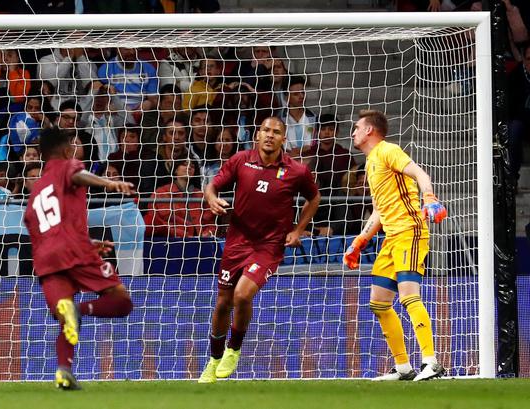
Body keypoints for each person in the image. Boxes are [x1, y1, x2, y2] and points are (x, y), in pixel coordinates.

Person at [198, 117, 321, 383]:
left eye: (276, 132)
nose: (270, 135)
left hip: (268, 246)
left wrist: (298, 230)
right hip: (236, 242)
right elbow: (212, 185)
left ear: (283, 139)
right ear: (257, 134)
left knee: (242, 296)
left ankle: (234, 349)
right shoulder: (241, 160)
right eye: (266, 130)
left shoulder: (296, 171)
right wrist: (211, 198)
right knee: (222, 304)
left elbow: (314, 197)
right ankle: (214, 360)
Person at [23, 127, 134, 390]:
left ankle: (64, 371)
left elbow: (40, 226)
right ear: (66, 149)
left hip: (45, 258)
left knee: (66, 317)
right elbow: (77, 174)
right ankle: (81, 310)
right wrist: (110, 183)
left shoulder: (37, 188)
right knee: (121, 301)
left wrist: (89, 242)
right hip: (72, 249)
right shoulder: (67, 165)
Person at [343, 110, 447, 381]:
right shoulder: (369, 163)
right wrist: (359, 241)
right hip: (391, 238)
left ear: (369, 131)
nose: (352, 132)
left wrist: (430, 197)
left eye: (356, 128)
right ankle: (403, 367)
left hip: (410, 231)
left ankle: (431, 362)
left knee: (409, 296)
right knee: (378, 303)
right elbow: (378, 211)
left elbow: (419, 172)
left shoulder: (388, 150)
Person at [143, 159, 216, 239]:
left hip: (198, 242)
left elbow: (210, 223)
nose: (189, 167)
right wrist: (181, 234)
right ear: (175, 170)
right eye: (184, 164)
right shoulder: (160, 193)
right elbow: (155, 222)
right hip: (169, 241)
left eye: (192, 166)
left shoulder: (200, 195)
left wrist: (207, 233)